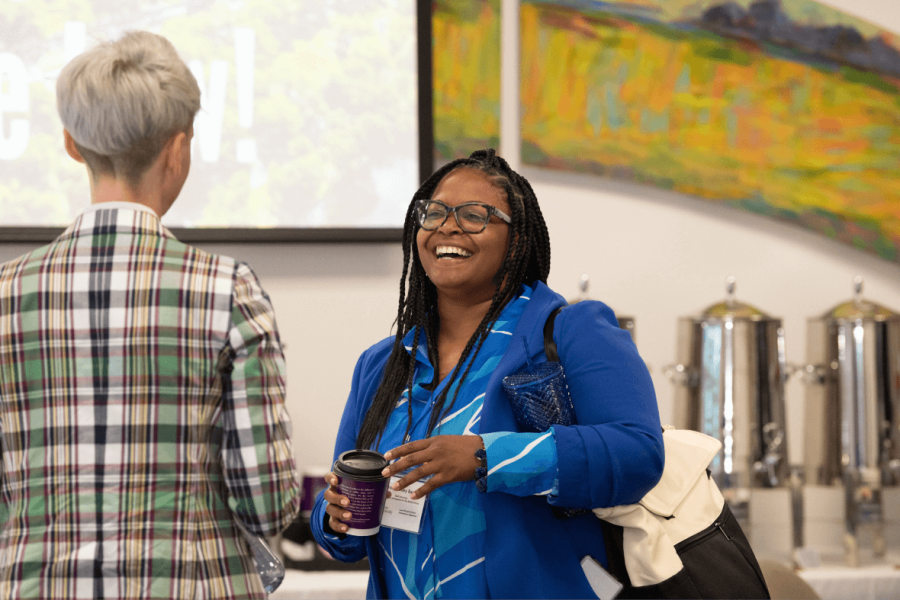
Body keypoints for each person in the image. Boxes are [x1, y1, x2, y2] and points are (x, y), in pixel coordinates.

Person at [0, 31, 300, 599]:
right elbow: (266, 502)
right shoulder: (227, 290)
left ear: (70, 143)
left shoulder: (6, 292)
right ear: (178, 146)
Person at [310, 149, 664, 599]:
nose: (447, 226)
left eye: (474, 215)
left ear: (516, 241)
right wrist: (334, 516)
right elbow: (343, 504)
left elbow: (637, 452)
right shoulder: (382, 365)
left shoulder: (572, 332)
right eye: (433, 212)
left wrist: (485, 456)